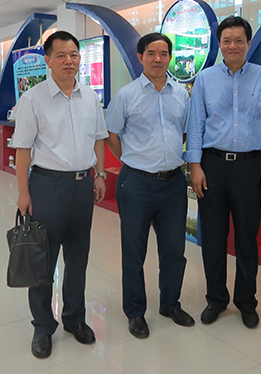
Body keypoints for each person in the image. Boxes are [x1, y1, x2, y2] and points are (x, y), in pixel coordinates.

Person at [187, 15, 261, 329]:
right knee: (213, 238)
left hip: (250, 167)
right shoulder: (205, 79)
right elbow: (195, 125)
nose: (233, 46)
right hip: (212, 166)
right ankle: (216, 299)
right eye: (227, 41)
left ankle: (246, 301)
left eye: (239, 40)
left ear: (248, 43)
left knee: (246, 238)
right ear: (219, 44)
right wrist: (195, 166)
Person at [11, 31, 108, 359]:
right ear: (48, 61)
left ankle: (74, 318)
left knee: (78, 258)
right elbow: (23, 150)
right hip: (47, 186)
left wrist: (100, 174)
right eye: (62, 55)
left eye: (74, 55)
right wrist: (23, 192)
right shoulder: (33, 99)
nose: (69, 61)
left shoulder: (90, 97)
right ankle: (42, 326)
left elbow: (99, 138)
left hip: (82, 187)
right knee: (43, 259)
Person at [105, 33, 194, 339]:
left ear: (170, 57)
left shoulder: (181, 94)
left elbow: (184, 132)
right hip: (136, 184)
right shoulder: (126, 95)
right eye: (152, 53)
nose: (158, 59)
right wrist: (132, 158)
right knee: (134, 251)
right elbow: (112, 133)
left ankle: (170, 304)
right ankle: (135, 312)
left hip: (173, 184)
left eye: (164, 53)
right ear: (141, 57)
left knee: (174, 250)